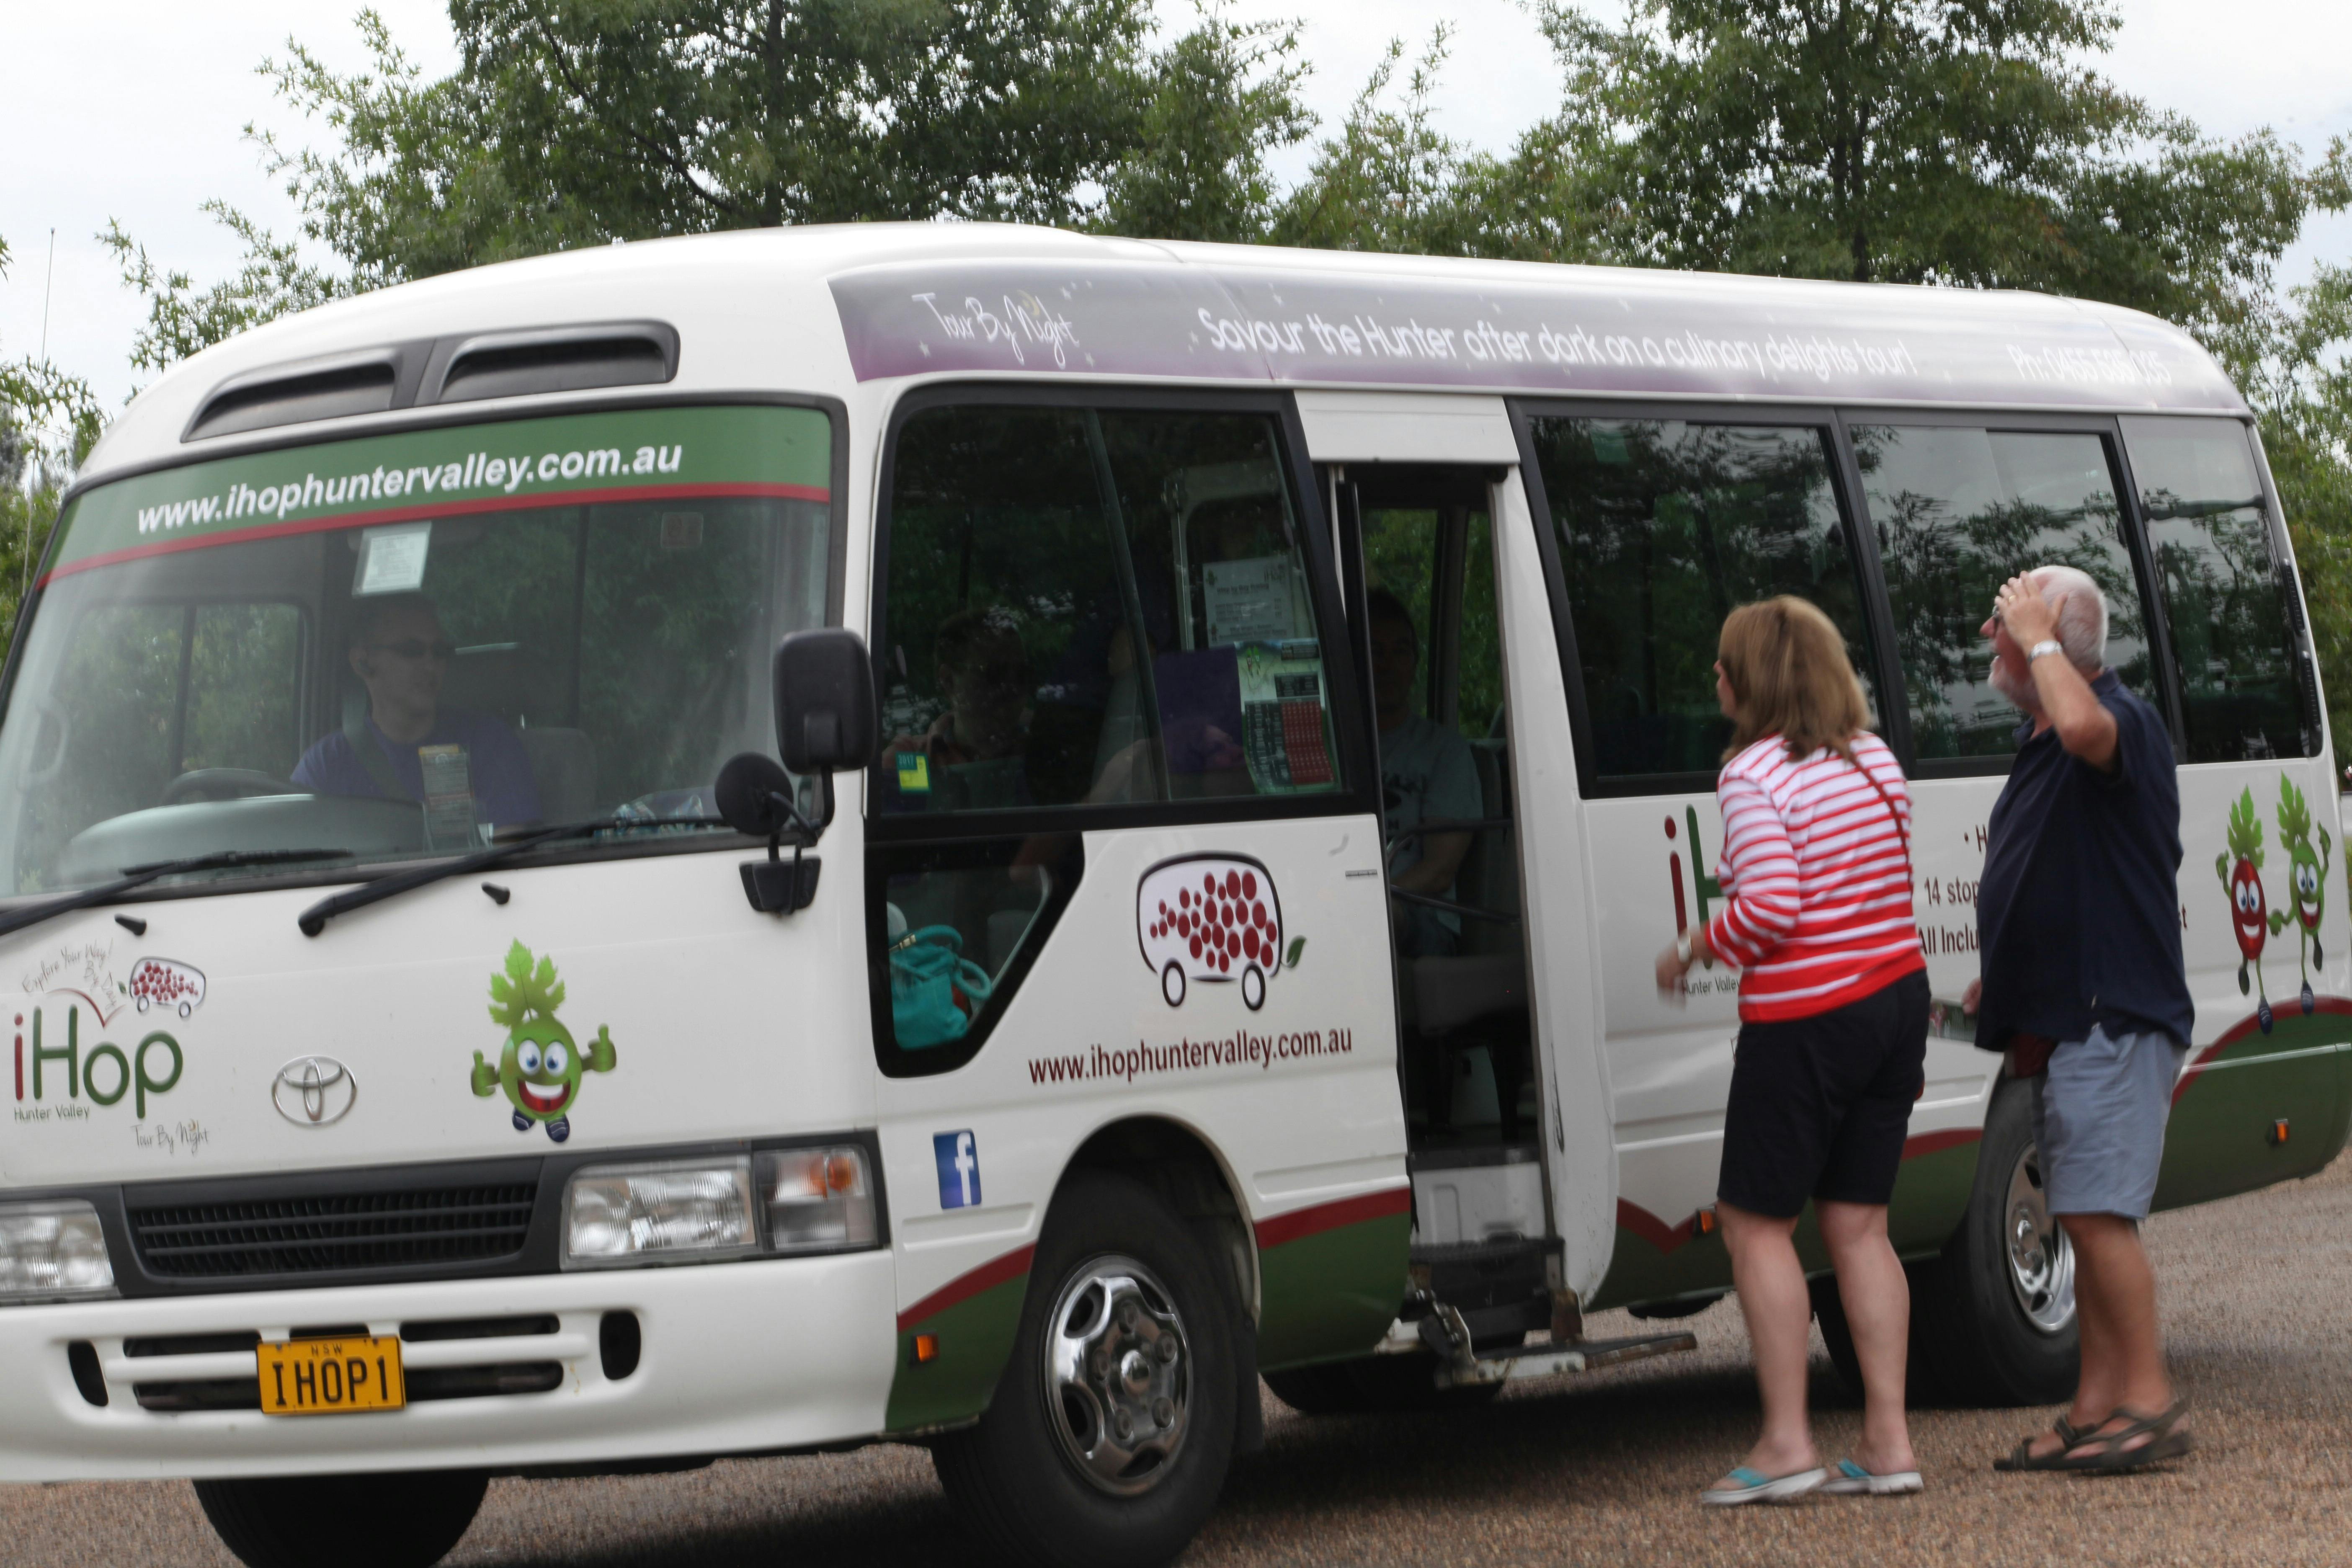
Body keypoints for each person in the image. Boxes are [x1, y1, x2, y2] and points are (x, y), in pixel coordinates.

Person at [1654, 596, 1927, 1506]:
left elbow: (1771, 907)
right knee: (1859, 1226)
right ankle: (1889, 1443)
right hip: (1896, 1001)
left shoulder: (1752, 775)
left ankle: (1786, 1442)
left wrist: (1697, 944)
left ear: (1753, 682)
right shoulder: (1875, 757)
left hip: (1808, 1022)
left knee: (1756, 1224)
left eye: (1725, 666)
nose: (1715, 679)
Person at [1970, 565, 2195, 1474]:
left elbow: (2085, 725)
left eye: (2008, 628)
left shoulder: (2115, 720)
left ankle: (2149, 1400)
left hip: (2115, 1017)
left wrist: (2041, 636)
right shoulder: (2044, 741)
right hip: (2071, 1017)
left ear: (2057, 645)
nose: (1996, 640)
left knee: (2099, 1216)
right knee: (2083, 1211)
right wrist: (2009, 973)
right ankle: (2099, 1405)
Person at [292, 593, 539, 827]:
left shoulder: (490, 745)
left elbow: (516, 855)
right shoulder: (324, 768)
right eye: (412, 651)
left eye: (439, 652)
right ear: (362, 662)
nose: (430, 664)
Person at [1368, 589, 1481, 958]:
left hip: (1423, 922)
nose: (1387, 665)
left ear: (1415, 663)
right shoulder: (1333, 748)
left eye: (1400, 651)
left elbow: (1438, 872)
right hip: (1343, 904)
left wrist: (1369, 903)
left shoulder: (1445, 751)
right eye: (1375, 652)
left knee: (1383, 917)